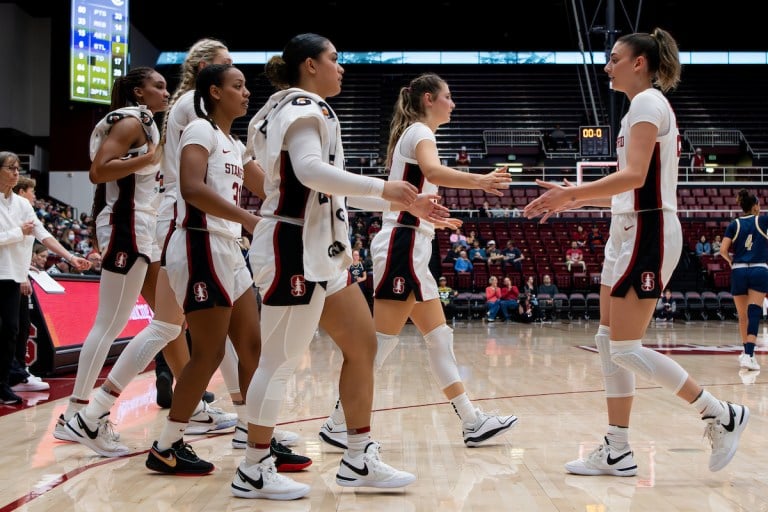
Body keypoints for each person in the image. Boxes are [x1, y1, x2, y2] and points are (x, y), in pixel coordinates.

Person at [524, 28, 748, 476]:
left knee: (625, 347)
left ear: (638, 63)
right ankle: (618, 448)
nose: (607, 66)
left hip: (649, 229)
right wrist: (574, 195)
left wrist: (572, 196)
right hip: (628, 226)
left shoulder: (648, 103)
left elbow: (634, 177)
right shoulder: (637, 110)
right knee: (609, 342)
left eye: (614, 58)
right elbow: (628, 188)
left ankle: (720, 413)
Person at [239, 33, 431, 499]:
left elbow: (271, 173)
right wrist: (382, 189)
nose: (340, 67)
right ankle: (253, 468)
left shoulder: (275, 109)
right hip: (293, 246)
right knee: (279, 362)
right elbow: (307, 171)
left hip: (319, 246)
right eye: (333, 59)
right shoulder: (306, 106)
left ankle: (358, 456)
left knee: (363, 346)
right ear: (309, 65)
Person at [318, 70, 516, 457]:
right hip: (402, 245)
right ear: (429, 99)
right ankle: (337, 423)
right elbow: (434, 173)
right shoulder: (421, 132)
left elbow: (414, 195)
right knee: (379, 345)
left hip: (412, 243)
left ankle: (472, 421)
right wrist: (482, 181)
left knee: (439, 338)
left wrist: (436, 218)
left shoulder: (416, 133)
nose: (453, 103)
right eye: (449, 96)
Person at [54, 67, 175, 447]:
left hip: (139, 224)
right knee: (108, 325)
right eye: (158, 86)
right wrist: (151, 157)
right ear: (139, 93)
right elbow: (98, 171)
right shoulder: (130, 120)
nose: (165, 92)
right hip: (126, 224)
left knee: (122, 323)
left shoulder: (145, 123)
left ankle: (74, 417)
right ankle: (78, 414)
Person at [1, 162, 88, 403]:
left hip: (15, 274)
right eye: (10, 168)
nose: (16, 172)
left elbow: (44, 235)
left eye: (18, 167)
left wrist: (70, 257)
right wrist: (18, 233)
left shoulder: (23, 205)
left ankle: (5, 381)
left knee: (11, 329)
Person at [719, 189, 766, 372]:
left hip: (738, 269)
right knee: (754, 312)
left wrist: (732, 262)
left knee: (743, 316)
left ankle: (746, 352)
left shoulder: (734, 224)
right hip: (758, 268)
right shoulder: (762, 220)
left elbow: (723, 250)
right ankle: (749, 355)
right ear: (755, 206)